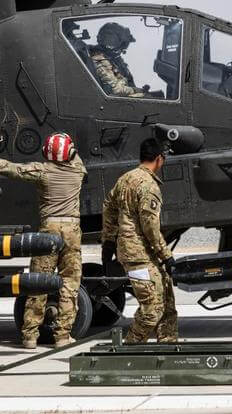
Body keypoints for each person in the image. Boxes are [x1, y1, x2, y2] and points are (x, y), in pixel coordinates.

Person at [0, 132, 87, 349]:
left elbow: (12, 169)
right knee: (69, 283)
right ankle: (63, 336)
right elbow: (75, 156)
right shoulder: (78, 170)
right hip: (72, 230)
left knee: (39, 282)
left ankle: (30, 336)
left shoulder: (42, 171)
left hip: (48, 231)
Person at [101, 138, 177, 343]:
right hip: (137, 255)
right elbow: (150, 226)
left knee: (167, 298)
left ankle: (168, 342)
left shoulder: (125, 179)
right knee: (152, 308)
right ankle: (130, 345)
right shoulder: (149, 186)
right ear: (159, 159)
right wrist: (166, 256)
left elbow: (108, 207)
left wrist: (108, 241)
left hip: (140, 253)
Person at [90, 22, 146, 98]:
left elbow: (125, 78)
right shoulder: (100, 59)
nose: (125, 47)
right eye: (124, 44)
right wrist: (137, 90)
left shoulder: (113, 58)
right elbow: (116, 90)